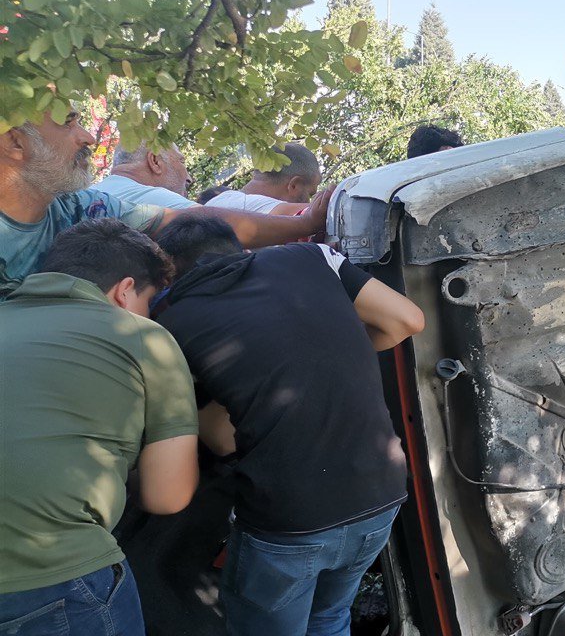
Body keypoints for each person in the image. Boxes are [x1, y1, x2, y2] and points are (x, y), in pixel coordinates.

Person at [153, 215, 425, 635]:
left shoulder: (169, 332)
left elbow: (224, 442)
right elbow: (407, 321)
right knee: (330, 618)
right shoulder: (313, 258)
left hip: (290, 518)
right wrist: (328, 358)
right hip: (381, 492)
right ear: (239, 246)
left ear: (169, 273)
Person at [0, 219, 200, 635]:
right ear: (124, 290)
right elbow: (168, 496)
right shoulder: (144, 336)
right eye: (150, 299)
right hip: (51, 577)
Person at [0, 112, 331, 297]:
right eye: (68, 122)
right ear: (16, 142)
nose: (88, 136)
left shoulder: (82, 206)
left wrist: (302, 225)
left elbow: (191, 222)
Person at [204, 142, 321, 214]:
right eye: (310, 194)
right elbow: (317, 212)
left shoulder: (225, 201)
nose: (308, 201)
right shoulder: (243, 205)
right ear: (294, 185)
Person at [90, 143, 198, 208]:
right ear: (155, 161)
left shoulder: (83, 197)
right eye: (181, 162)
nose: (189, 178)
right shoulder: (163, 203)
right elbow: (212, 222)